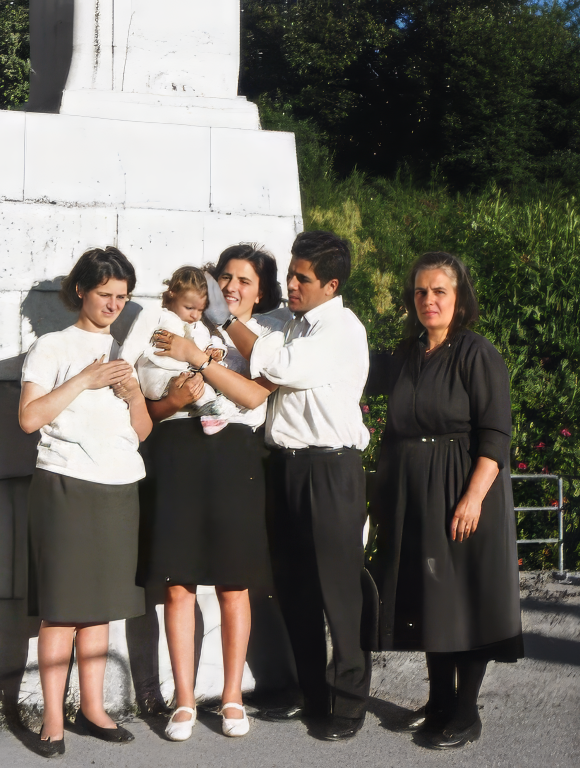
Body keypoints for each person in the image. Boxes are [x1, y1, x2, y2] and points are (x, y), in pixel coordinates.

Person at [154, 230, 372, 742]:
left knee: (338, 590)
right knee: (293, 588)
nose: (293, 285)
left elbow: (274, 368)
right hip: (285, 464)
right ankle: (310, 692)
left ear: (331, 285)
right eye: (291, 275)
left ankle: (348, 702)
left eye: (303, 279)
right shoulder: (288, 323)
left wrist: (219, 329)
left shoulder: (340, 328)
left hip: (330, 466)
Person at [369, 251, 523, 750]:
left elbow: (495, 435)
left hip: (463, 490)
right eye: (420, 291)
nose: (428, 300)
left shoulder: (478, 353)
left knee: (464, 599)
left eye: (439, 291)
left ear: (459, 297)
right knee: (431, 598)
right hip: (415, 494)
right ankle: (438, 702)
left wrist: (473, 498)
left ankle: (466, 711)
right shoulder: (406, 353)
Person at [132, 244, 285, 742]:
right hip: (176, 451)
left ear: (261, 292)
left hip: (234, 455)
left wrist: (195, 357)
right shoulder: (178, 319)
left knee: (233, 583)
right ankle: (183, 700)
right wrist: (175, 390)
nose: (232, 288)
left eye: (245, 281)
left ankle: (232, 695)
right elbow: (150, 398)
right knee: (177, 583)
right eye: (226, 278)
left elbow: (253, 396)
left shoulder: (267, 336)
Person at [18, 246, 151, 756]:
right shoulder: (51, 346)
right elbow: (29, 418)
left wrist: (133, 394)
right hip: (66, 484)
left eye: (123, 296)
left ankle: (93, 709)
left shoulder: (125, 352)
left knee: (102, 607)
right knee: (62, 609)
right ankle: (53, 718)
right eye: (105, 294)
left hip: (119, 487)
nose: (114, 304)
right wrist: (84, 380)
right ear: (81, 290)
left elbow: (140, 432)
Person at [134, 266, 231, 433]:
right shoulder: (157, 316)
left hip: (185, 375)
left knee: (210, 382)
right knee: (199, 387)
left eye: (200, 310)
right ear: (172, 295)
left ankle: (210, 413)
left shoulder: (199, 325)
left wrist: (214, 349)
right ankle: (210, 410)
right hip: (159, 373)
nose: (195, 315)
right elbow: (133, 345)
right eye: (189, 308)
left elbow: (208, 339)